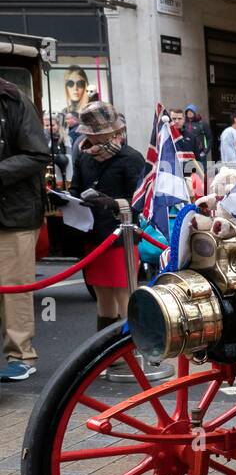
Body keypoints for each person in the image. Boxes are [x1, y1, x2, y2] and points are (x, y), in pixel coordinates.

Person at [70, 102, 146, 339]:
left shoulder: (131, 157)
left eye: (96, 133)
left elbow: (140, 201)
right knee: (102, 295)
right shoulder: (84, 157)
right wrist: (67, 199)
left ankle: (130, 352)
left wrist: (111, 203)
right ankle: (105, 353)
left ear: (113, 132)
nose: (91, 138)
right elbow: (75, 187)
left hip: (119, 235)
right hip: (92, 233)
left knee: (124, 295)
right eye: (89, 134)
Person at [0, 76, 52, 381]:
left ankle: (21, 354)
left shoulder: (13, 99)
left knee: (12, 288)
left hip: (13, 213)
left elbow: (37, 153)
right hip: (12, 209)